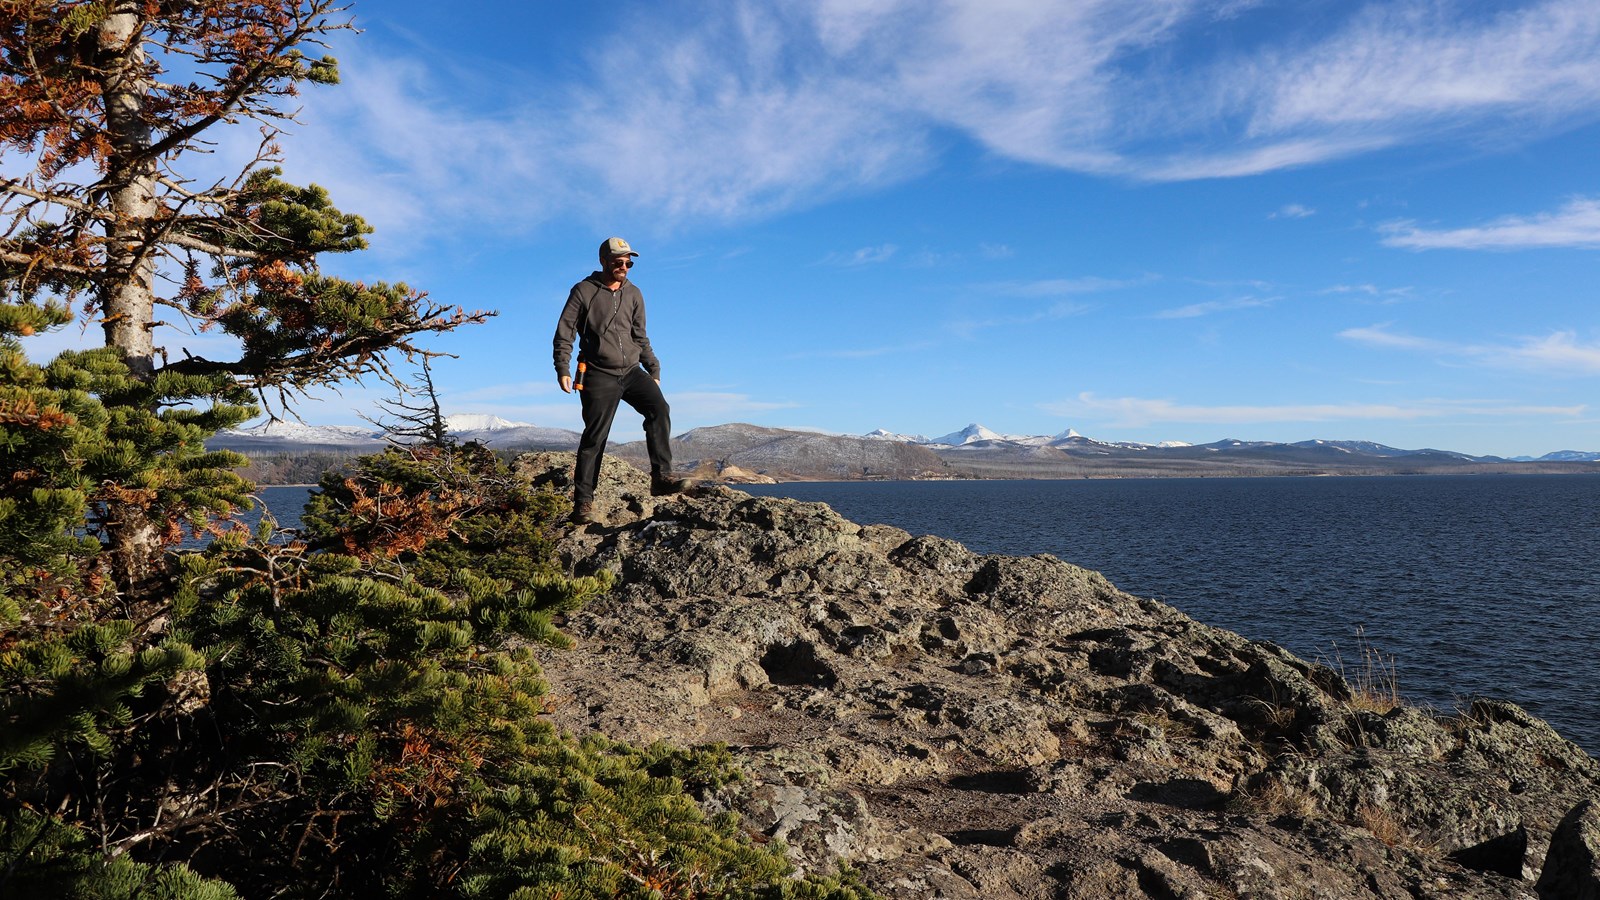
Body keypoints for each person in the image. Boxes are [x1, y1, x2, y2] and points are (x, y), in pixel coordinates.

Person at [553, 237, 690, 524]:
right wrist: (562, 367)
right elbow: (565, 331)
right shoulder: (583, 291)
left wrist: (653, 370)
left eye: (628, 262)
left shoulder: (635, 293)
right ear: (603, 261)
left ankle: (661, 477)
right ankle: (583, 503)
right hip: (597, 372)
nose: (624, 267)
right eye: (618, 262)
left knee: (659, 409)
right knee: (595, 436)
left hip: (631, 371)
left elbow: (640, 336)